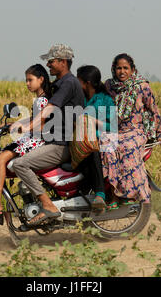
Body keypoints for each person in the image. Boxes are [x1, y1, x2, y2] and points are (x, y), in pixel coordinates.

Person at [11, 44, 85, 226]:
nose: (49, 64)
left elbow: (48, 111)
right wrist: (17, 125)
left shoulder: (68, 83)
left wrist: (28, 128)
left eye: (51, 61)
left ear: (63, 62)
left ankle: (48, 205)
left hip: (62, 144)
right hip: (54, 141)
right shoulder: (59, 84)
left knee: (19, 164)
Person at [0, 64, 52, 217]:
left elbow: (40, 125)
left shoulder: (43, 100)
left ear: (41, 79)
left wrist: (20, 128)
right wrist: (12, 124)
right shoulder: (40, 99)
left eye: (30, 80)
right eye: (26, 80)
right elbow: (33, 119)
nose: (27, 83)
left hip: (38, 140)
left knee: (1, 158)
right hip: (32, 138)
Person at [101, 53, 161, 208]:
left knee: (127, 148)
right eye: (119, 68)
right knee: (106, 146)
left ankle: (130, 195)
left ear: (132, 70)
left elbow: (153, 109)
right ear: (113, 69)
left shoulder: (142, 86)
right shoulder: (109, 86)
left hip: (134, 131)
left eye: (125, 68)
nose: (122, 71)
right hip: (114, 130)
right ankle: (112, 195)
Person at [74, 65, 115, 211]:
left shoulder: (105, 100)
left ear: (88, 83)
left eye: (78, 80)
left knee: (92, 149)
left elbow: (112, 126)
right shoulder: (80, 99)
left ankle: (100, 194)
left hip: (100, 141)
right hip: (80, 140)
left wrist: (92, 121)